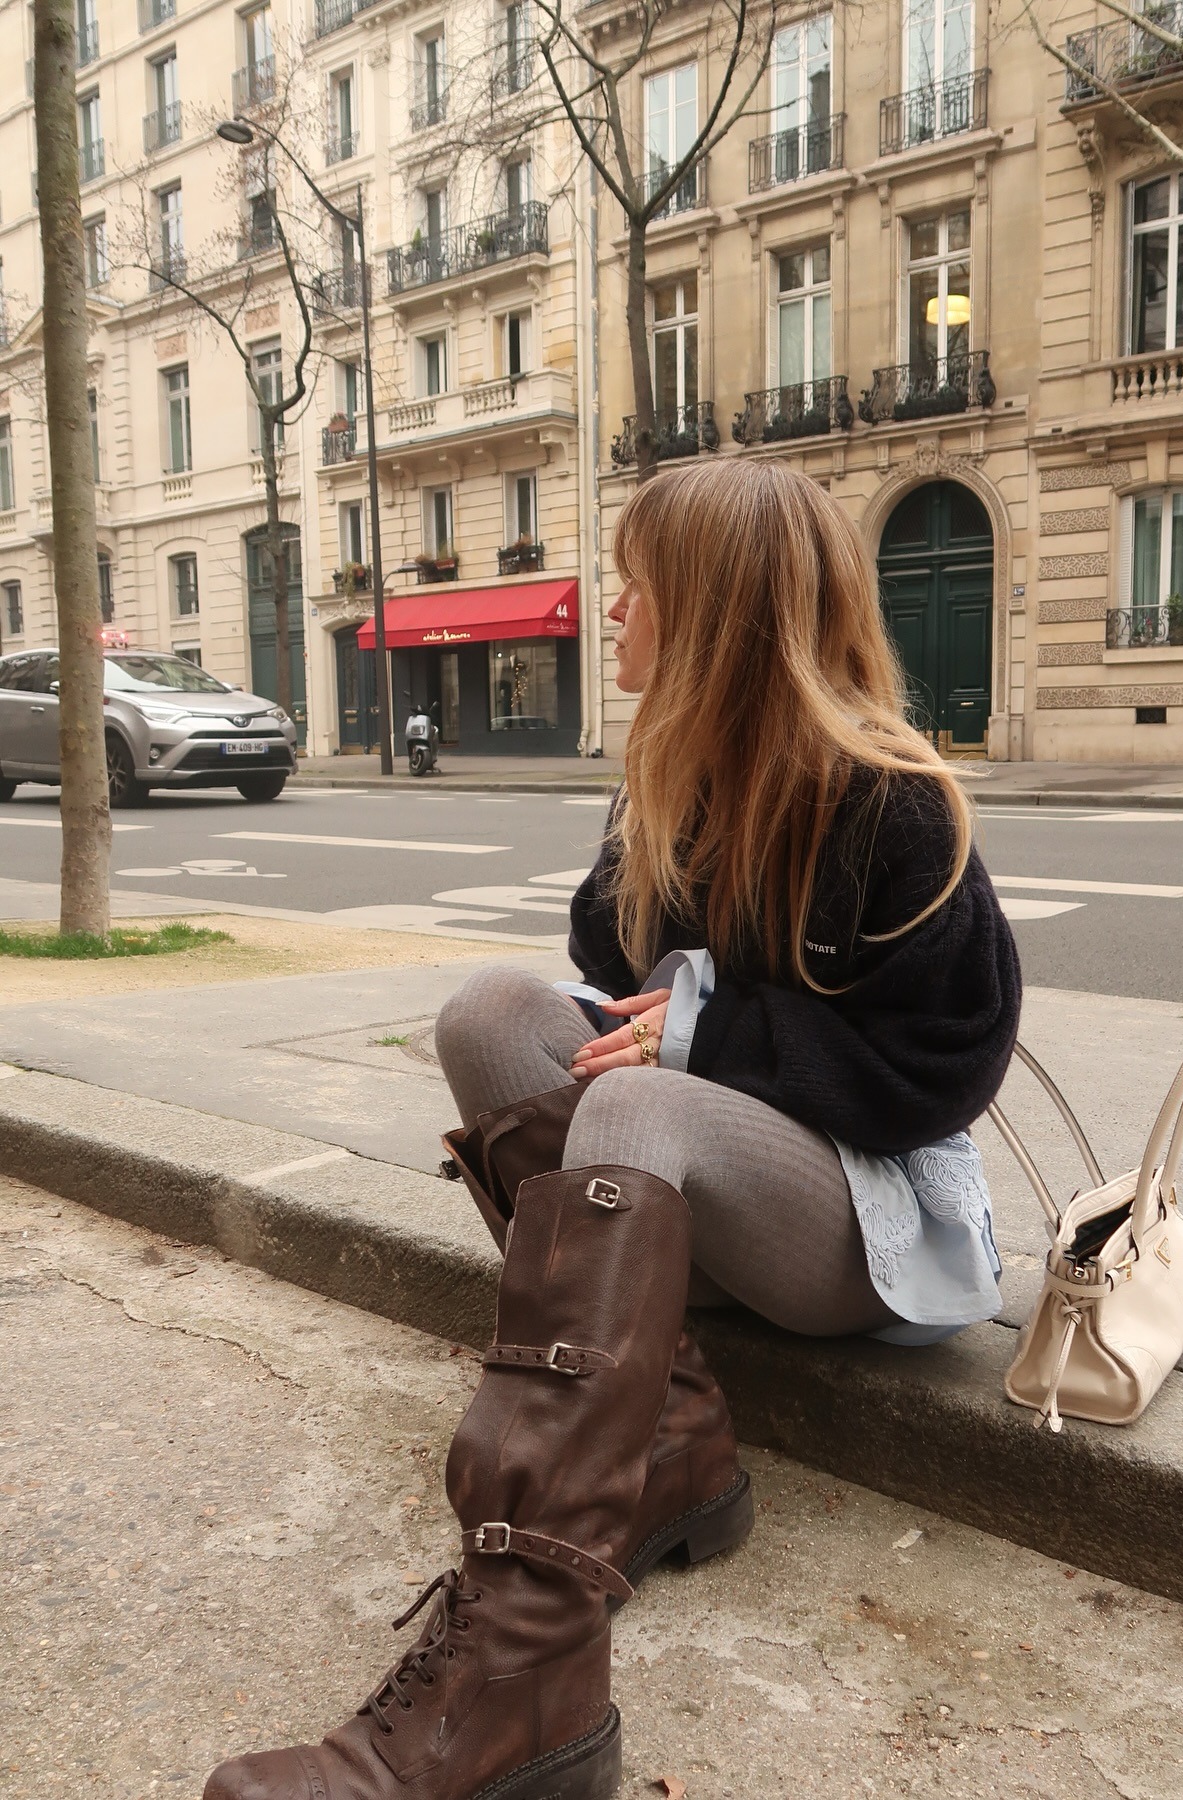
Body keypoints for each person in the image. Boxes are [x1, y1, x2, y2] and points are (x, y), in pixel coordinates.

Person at [203, 459, 1021, 1800]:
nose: (615, 608)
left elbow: (943, 1071)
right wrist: (662, 824)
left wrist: (712, 1033)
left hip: (862, 1228)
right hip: (703, 1192)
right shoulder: (675, 775)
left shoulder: (892, 797)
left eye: (640, 586)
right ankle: (675, 1435)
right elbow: (610, 962)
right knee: (486, 1013)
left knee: (637, 1093)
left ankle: (527, 1656)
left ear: (718, 614)